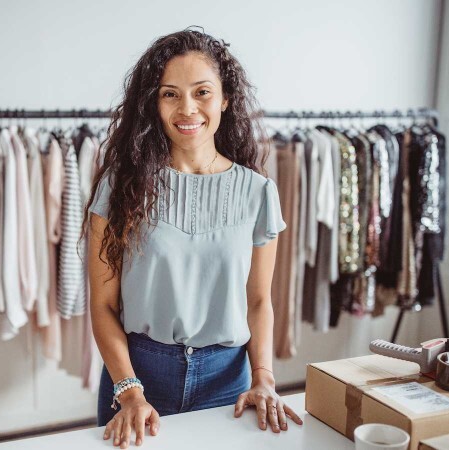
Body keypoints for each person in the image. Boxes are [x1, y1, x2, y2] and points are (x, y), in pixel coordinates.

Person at [81, 27, 302, 449]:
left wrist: (264, 379)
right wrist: (129, 392)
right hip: (138, 377)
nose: (187, 109)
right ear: (154, 104)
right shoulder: (121, 184)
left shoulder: (258, 192)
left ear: (224, 99)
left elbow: (258, 302)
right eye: (170, 94)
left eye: (202, 92)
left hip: (229, 381)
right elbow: (104, 305)